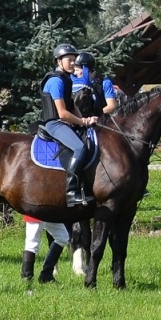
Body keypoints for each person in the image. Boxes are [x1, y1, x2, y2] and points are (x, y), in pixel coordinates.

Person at [40, 42, 97, 207]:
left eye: (74, 60)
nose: (73, 63)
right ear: (59, 62)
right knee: (79, 148)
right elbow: (63, 113)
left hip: (65, 122)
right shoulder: (56, 81)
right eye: (69, 60)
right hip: (54, 124)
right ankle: (71, 192)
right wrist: (82, 121)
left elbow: (72, 106)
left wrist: (85, 121)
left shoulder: (66, 79)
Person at [20, 214, 69, 285]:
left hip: (49, 213)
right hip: (35, 212)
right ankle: (27, 277)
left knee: (62, 237)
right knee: (32, 243)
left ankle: (46, 275)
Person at [73, 51, 118, 117]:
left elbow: (111, 106)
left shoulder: (104, 82)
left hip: (99, 120)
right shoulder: (75, 84)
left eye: (77, 70)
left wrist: (93, 115)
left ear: (86, 70)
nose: (74, 73)